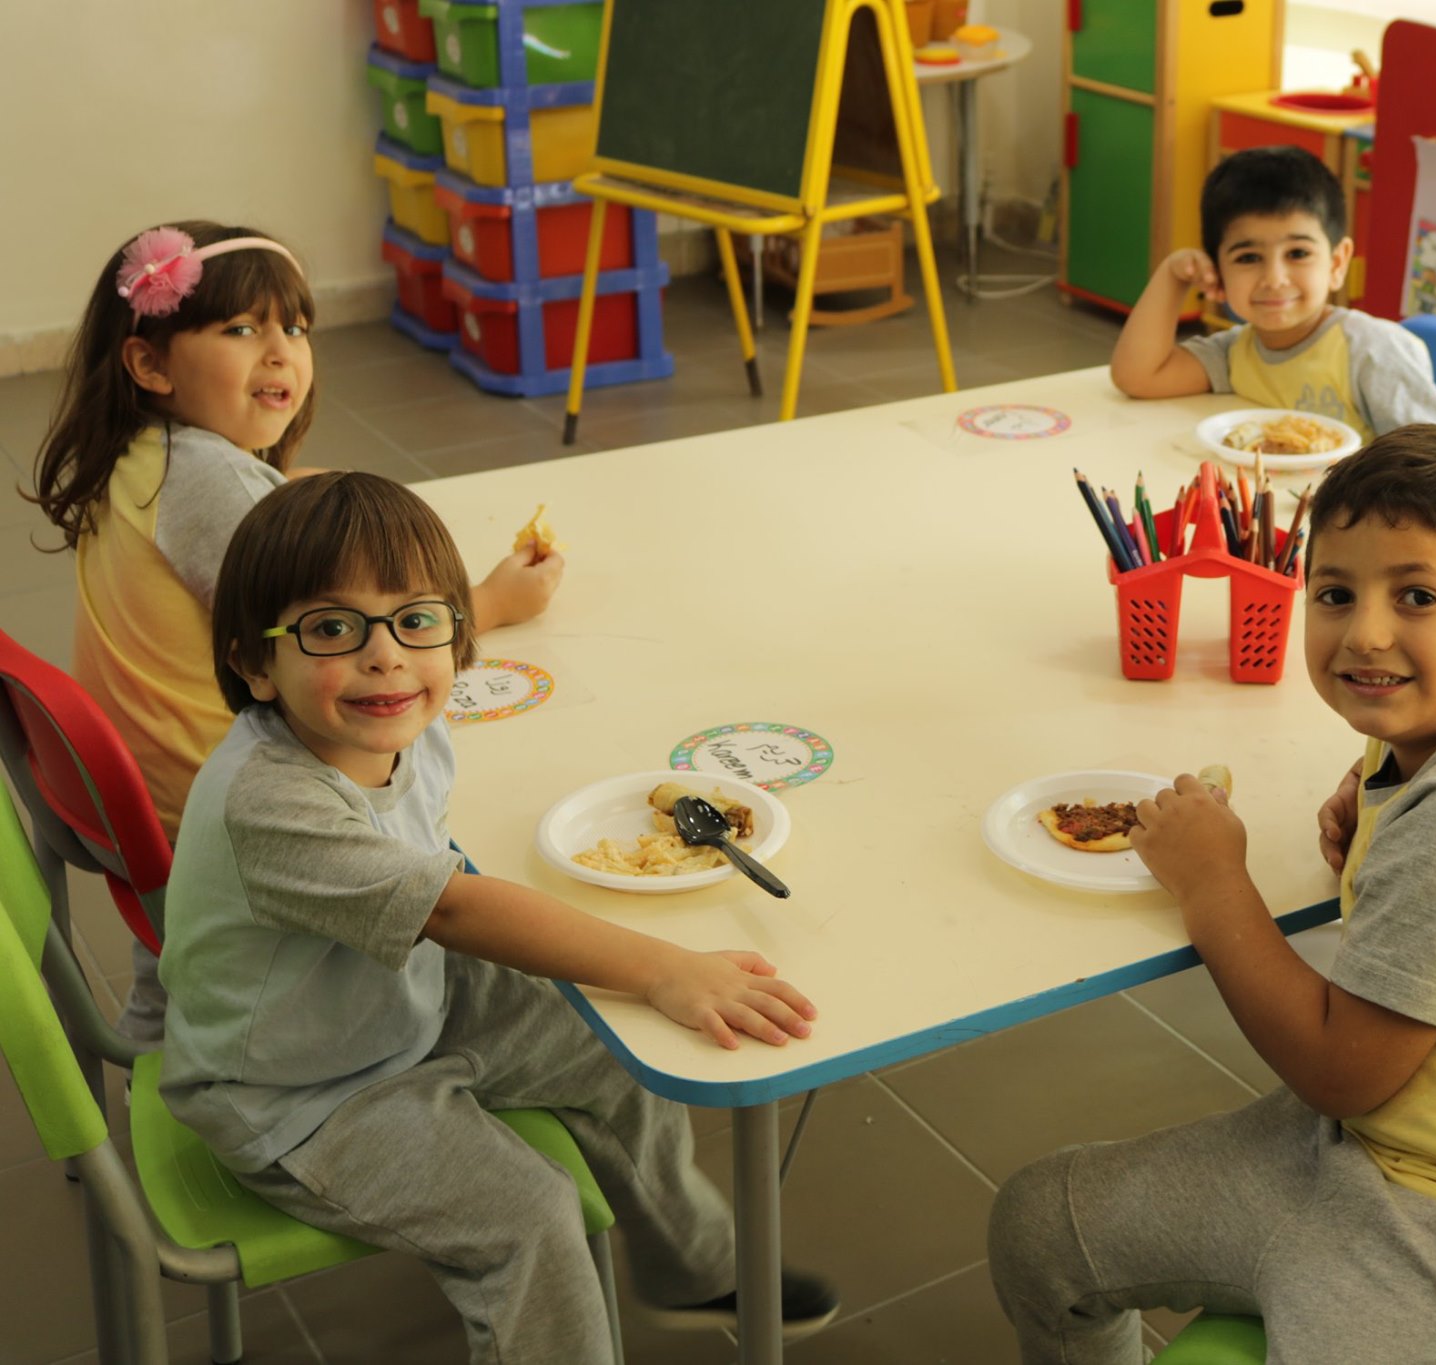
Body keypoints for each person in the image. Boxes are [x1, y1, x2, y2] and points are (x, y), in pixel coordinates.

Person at [988, 427, 1436, 1364]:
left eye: (1417, 596)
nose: (1365, 633)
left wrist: (1213, 882)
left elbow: (1341, 1069)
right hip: (1362, 1144)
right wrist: (1378, 794)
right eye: (1336, 593)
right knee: (1041, 1227)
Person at [158, 471, 836, 1362]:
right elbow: (451, 905)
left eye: (416, 620)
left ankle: (693, 1267)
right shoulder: (270, 801)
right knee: (531, 1216)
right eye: (331, 629)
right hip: (299, 1093)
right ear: (254, 661)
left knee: (618, 1051)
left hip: (402, 1001)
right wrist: (664, 966)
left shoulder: (404, 724)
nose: (386, 657)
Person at [27, 221, 561, 1038]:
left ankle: (158, 1029)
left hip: (134, 794)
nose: (281, 353)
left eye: (296, 328)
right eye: (243, 329)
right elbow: (353, 635)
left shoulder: (143, 451)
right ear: (150, 363)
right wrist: (492, 599)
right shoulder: (208, 483)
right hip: (227, 815)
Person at [1108, 145, 1436, 437]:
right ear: (1218, 272)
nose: (1274, 279)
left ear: (1337, 263)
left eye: (1298, 254)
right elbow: (1137, 377)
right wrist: (1173, 275)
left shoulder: (1370, 351)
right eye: (1248, 258)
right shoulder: (1236, 354)